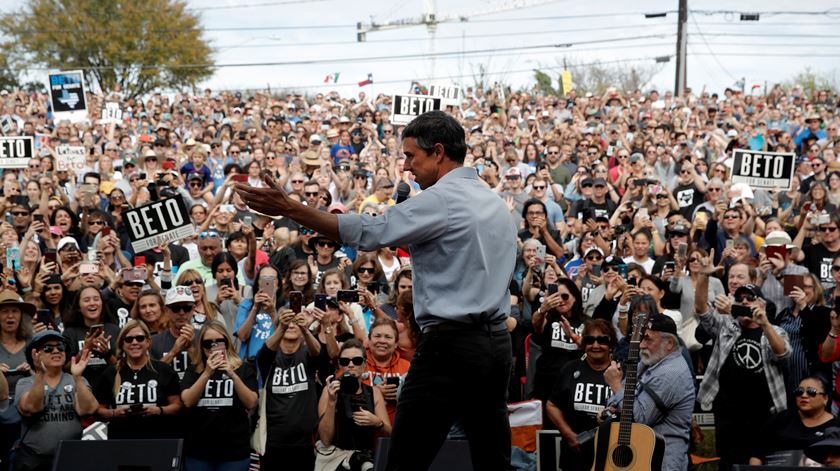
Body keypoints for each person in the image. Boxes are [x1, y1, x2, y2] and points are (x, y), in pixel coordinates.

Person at [236, 110, 517, 470]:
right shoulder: (494, 203)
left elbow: (367, 231)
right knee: (492, 457)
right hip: (494, 344)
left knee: (405, 459)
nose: (406, 167)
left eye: (411, 156)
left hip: (450, 346)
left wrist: (291, 208)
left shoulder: (442, 199)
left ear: (439, 152)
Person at [694, 257, 792, 469]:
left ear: (762, 304)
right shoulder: (726, 325)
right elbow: (701, 309)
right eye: (741, 300)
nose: (745, 302)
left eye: (751, 298)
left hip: (763, 412)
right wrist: (703, 276)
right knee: (729, 463)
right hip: (728, 411)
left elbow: (783, 354)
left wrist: (764, 323)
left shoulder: (776, 331)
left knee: (759, 462)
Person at [604, 313, 695, 471]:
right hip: (642, 456)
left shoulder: (671, 374)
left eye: (648, 339)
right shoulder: (651, 360)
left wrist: (615, 385)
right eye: (641, 339)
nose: (641, 345)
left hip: (664, 462)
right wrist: (609, 410)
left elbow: (638, 418)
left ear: (669, 343)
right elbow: (620, 398)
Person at [14, 330, 97, 471]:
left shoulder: (78, 380)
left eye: (60, 347)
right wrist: (40, 373)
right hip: (34, 461)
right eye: (48, 348)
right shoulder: (25, 382)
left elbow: (88, 409)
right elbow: (31, 408)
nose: (56, 351)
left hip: (71, 458)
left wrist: (77, 377)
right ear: (35, 354)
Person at [181, 322, 258, 471]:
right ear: (201, 347)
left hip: (234, 451)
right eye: (208, 343)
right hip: (199, 451)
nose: (213, 347)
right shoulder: (194, 370)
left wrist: (232, 374)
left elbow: (251, 402)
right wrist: (207, 373)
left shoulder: (243, 368)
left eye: (219, 341)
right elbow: (187, 401)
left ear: (227, 343)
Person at [255, 307, 323, 471]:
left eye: (295, 322)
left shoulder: (307, 353)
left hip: (305, 443)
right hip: (273, 442)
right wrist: (281, 326)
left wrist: (305, 329)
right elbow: (263, 353)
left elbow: (318, 354)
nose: (291, 325)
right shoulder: (270, 355)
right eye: (287, 322)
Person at [545, 319, 616, 471]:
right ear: (584, 344)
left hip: (612, 457)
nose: (595, 345)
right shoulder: (570, 369)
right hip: (574, 456)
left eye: (602, 340)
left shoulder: (620, 373)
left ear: (611, 344)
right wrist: (568, 434)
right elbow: (552, 405)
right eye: (590, 340)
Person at [93, 320, 183, 439]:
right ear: (122, 344)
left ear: (148, 342)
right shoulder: (110, 373)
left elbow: (177, 406)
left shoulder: (164, 370)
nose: (134, 342)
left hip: (158, 440)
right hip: (121, 442)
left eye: (140, 338)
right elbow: (98, 410)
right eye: (129, 339)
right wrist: (114, 413)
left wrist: (159, 410)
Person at [316, 339, 391, 471]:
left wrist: (377, 422)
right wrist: (332, 402)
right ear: (339, 365)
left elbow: (389, 433)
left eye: (356, 361)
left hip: (365, 462)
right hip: (336, 461)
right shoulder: (329, 391)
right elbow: (325, 439)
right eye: (345, 361)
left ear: (364, 364)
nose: (351, 365)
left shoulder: (374, 392)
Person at [750, 376, 840, 465]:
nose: (803, 395)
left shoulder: (837, 427)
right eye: (799, 391)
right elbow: (757, 455)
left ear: (825, 398)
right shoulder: (779, 420)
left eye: (811, 392)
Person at [0, 292, 32, 467]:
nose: (10, 316)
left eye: (15, 311)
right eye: (5, 311)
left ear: (21, 316)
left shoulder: (32, 343)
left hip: (28, 414)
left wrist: (33, 371)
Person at [150, 286, 197, 380]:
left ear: (193, 309)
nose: (182, 313)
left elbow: (208, 373)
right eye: (176, 308)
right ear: (166, 310)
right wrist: (173, 352)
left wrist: (191, 348)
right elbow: (151, 377)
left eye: (187, 308)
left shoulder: (204, 337)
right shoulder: (154, 341)